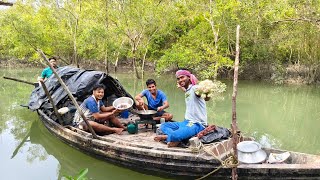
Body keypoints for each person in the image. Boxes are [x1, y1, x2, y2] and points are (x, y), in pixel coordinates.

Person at [154, 70, 210, 147]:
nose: (180, 80)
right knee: (163, 126)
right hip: (186, 122)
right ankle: (174, 137)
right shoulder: (188, 91)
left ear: (189, 78)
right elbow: (186, 91)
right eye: (178, 79)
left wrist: (207, 92)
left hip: (195, 124)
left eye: (182, 77)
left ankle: (168, 137)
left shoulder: (195, 88)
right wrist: (181, 87)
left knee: (177, 134)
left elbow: (206, 98)